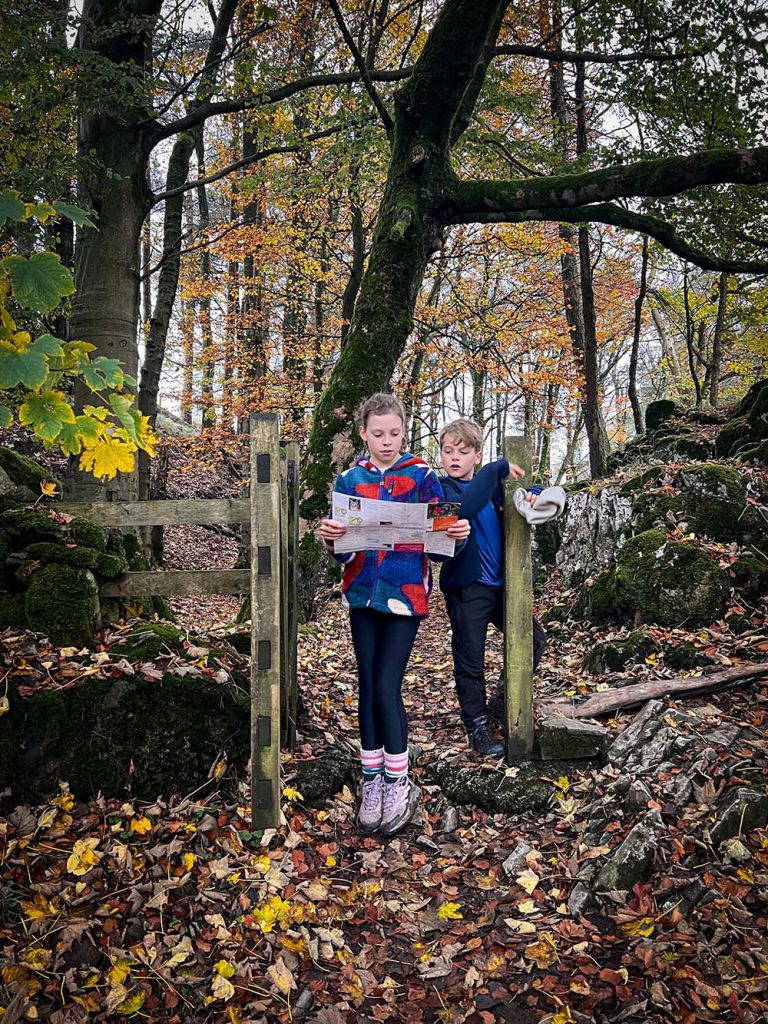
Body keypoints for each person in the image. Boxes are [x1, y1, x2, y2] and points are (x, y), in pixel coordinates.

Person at [319, 394, 470, 836]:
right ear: (363, 433)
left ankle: (397, 779)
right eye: (378, 433)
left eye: (394, 433)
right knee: (367, 685)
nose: (387, 441)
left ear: (404, 431)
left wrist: (455, 533)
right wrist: (331, 538)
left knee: (387, 684)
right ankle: (372, 782)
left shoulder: (422, 475)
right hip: (362, 595)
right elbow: (340, 550)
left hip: (405, 597)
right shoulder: (349, 479)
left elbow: (443, 547)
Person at [438, 418, 549, 756]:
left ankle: (502, 698)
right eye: (447, 451)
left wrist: (534, 494)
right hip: (467, 588)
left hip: (505, 588)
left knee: (534, 641)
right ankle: (477, 726)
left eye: (464, 451)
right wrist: (497, 467)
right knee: (470, 660)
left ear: (476, 454)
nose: (454, 457)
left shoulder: (496, 490)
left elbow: (528, 497)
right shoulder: (442, 490)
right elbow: (466, 508)